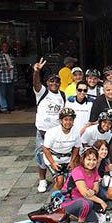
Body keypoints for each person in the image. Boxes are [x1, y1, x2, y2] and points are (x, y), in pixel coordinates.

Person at [33, 58, 66, 193]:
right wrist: (36, 72)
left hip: (55, 132)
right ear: (47, 82)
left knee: (56, 155)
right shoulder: (42, 92)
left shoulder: (62, 95)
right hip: (42, 131)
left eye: (57, 81)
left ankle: (58, 175)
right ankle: (42, 179)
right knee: (41, 155)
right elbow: (36, 83)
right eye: (51, 81)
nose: (54, 83)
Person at [61, 147, 107, 223]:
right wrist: (101, 202)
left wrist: (93, 191)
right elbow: (85, 194)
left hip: (84, 201)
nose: (91, 162)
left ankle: (74, 216)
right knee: (88, 203)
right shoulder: (77, 171)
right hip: (69, 201)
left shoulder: (94, 171)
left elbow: (96, 189)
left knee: (94, 222)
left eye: (94, 160)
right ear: (83, 160)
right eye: (89, 159)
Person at [42, 108, 81, 191]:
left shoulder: (76, 132)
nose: (68, 122)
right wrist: (52, 163)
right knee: (60, 181)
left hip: (67, 158)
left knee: (73, 180)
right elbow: (45, 148)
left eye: (71, 120)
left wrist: (72, 161)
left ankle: (68, 199)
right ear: (61, 120)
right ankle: (53, 200)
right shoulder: (52, 132)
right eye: (65, 119)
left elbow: (76, 148)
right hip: (54, 158)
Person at [0, 42, 17, 113]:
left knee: (10, 93)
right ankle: (4, 108)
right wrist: (5, 68)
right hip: (2, 78)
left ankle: (11, 107)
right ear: (1, 48)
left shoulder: (11, 56)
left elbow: (15, 67)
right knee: (3, 94)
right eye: (4, 46)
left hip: (11, 77)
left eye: (6, 46)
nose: (5, 48)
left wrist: (15, 77)